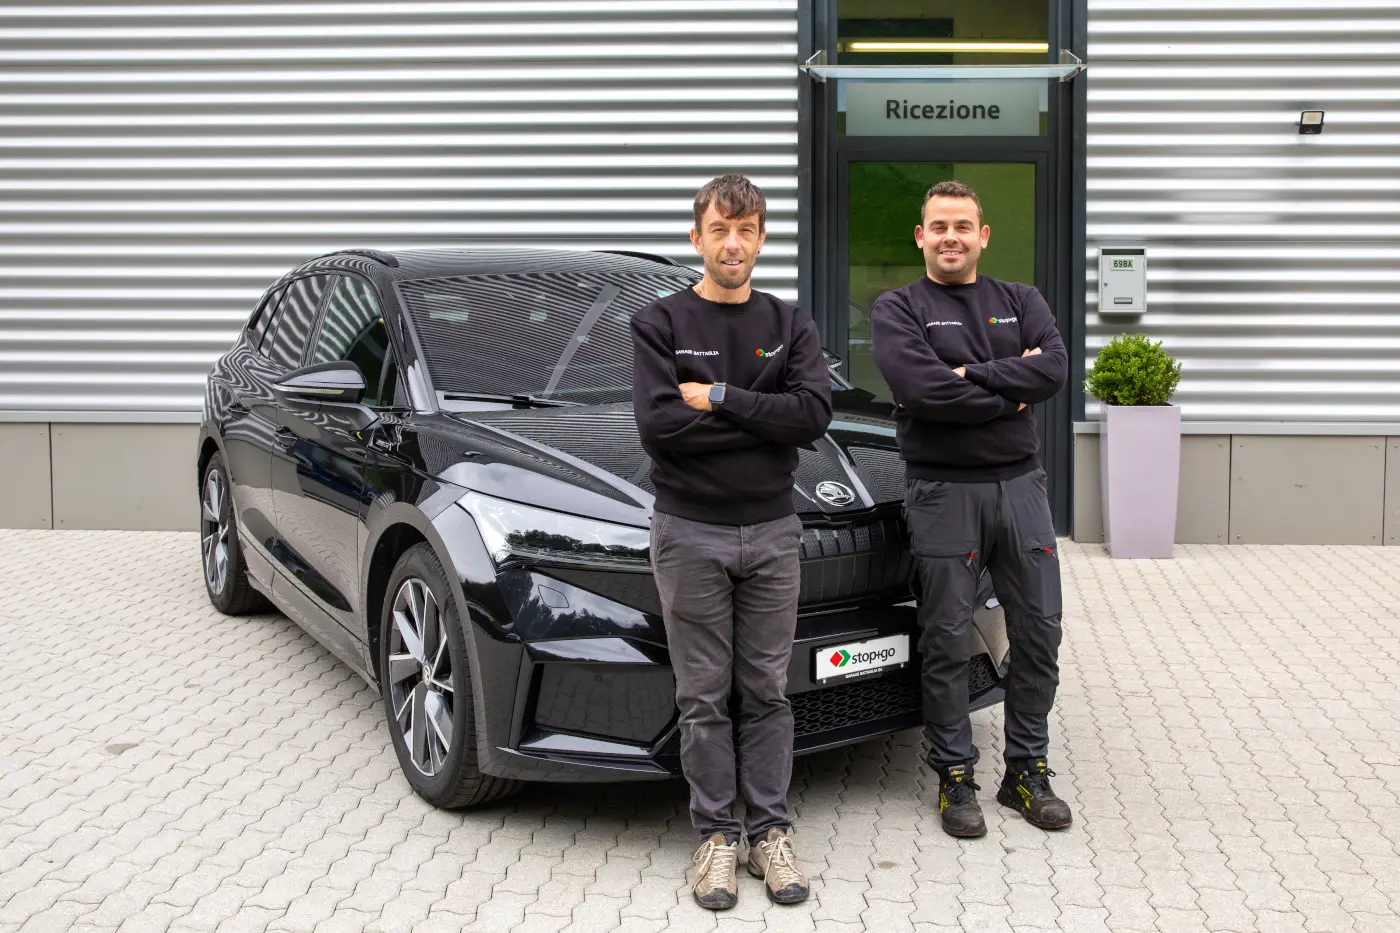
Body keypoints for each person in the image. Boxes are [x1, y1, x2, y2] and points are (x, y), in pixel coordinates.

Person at [631, 174, 832, 909]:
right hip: (690, 532)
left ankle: (769, 832)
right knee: (704, 695)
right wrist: (763, 414)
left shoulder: (788, 323)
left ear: (762, 238)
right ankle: (716, 837)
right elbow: (659, 427)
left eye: (746, 230)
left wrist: (718, 396)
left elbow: (811, 415)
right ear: (697, 238)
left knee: (768, 690)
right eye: (720, 229)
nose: (733, 243)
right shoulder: (659, 324)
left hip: (774, 531)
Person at [870, 180, 1072, 838]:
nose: (951, 236)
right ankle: (956, 774)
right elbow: (921, 390)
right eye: (939, 226)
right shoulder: (899, 308)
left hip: (1022, 488)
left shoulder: (1021, 300)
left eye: (964, 225)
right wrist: (1010, 381)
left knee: (1040, 631)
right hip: (942, 492)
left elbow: (1055, 369)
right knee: (948, 640)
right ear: (920, 237)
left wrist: (968, 377)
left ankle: (1027, 769)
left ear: (983, 235)